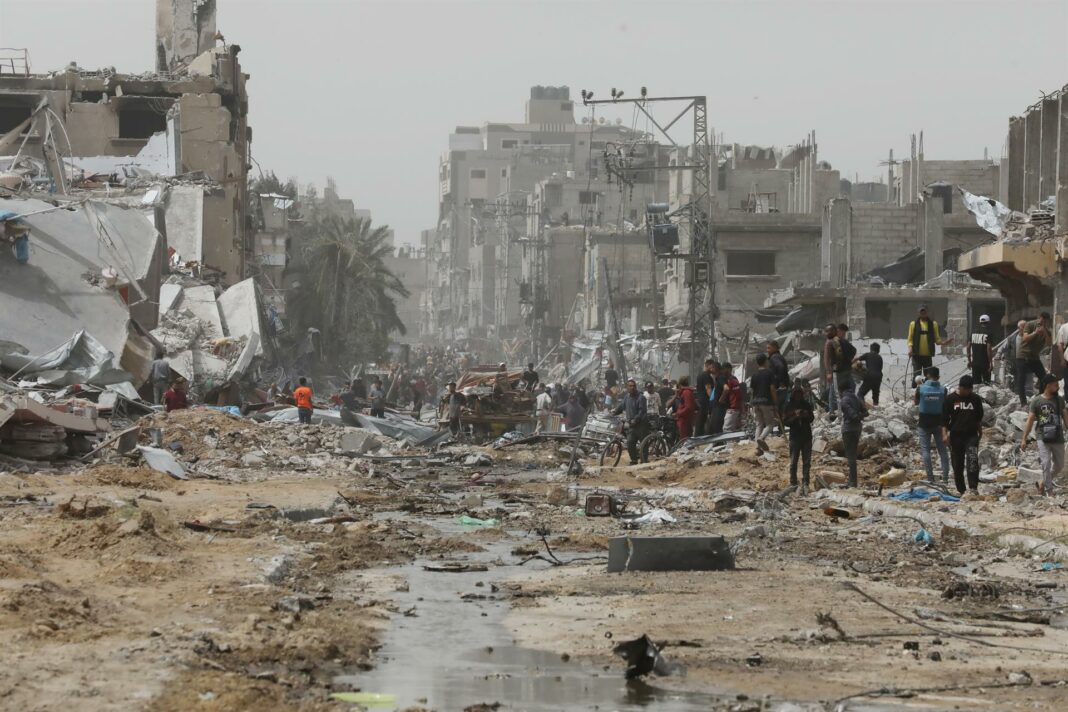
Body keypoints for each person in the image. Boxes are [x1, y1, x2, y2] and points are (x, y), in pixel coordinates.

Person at [1021, 373, 1068, 496]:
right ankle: (1049, 490)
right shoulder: (1037, 401)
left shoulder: (1059, 400)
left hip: (1058, 437)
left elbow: (1065, 416)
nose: (1057, 386)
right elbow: (1030, 420)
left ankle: (1042, 482)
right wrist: (1024, 439)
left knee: (1059, 465)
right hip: (1042, 436)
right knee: (1046, 463)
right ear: (1047, 385)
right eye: (1055, 384)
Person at [943, 374, 984, 495]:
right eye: (965, 390)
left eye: (969, 390)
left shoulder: (975, 399)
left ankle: (973, 488)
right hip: (956, 436)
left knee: (972, 459)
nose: (967, 392)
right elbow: (944, 420)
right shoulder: (950, 399)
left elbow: (978, 418)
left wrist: (980, 431)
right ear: (960, 387)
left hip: (971, 435)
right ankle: (961, 489)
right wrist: (944, 435)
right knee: (957, 464)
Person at [915, 366, 950, 484]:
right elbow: (945, 405)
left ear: (927, 376)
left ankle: (930, 478)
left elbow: (916, 402)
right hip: (939, 422)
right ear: (938, 377)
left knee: (925, 451)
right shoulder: (943, 390)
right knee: (942, 451)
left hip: (924, 422)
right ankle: (945, 478)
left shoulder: (920, 388)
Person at [783, 379, 815, 495]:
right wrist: (795, 416)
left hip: (806, 436)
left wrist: (805, 415)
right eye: (796, 394)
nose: (798, 396)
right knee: (793, 461)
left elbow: (811, 418)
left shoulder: (806, 405)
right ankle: (793, 482)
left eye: (799, 394)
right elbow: (785, 421)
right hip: (794, 437)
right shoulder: (789, 406)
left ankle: (806, 482)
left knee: (806, 462)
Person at [1016, 312, 1051, 407]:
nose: (1042, 322)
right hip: (1023, 356)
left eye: (1045, 321)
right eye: (1042, 320)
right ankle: (1023, 402)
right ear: (1039, 318)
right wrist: (1035, 332)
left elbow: (1049, 344)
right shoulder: (1030, 324)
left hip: (1034, 357)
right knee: (1021, 379)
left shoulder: (1047, 331)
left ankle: (1041, 399)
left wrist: (1045, 332)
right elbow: (1025, 338)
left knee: (1044, 378)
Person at [838, 380, 867, 487]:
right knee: (853, 455)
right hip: (857, 429)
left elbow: (852, 415)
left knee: (850, 456)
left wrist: (856, 416)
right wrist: (859, 416)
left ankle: (852, 482)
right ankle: (852, 480)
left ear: (840, 390)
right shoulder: (857, 398)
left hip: (848, 429)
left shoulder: (844, 400)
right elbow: (866, 413)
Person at [613, 379, 648, 466]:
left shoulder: (641, 397)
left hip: (641, 425)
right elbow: (621, 407)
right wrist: (614, 412)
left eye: (634, 386)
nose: (632, 387)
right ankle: (634, 460)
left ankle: (644, 461)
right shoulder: (627, 397)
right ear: (627, 387)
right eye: (630, 386)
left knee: (643, 444)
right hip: (631, 425)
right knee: (630, 443)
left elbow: (642, 411)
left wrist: (635, 419)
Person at [749, 353, 779, 447]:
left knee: (759, 425)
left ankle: (757, 448)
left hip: (755, 403)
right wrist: (775, 402)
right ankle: (761, 438)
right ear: (766, 361)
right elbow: (772, 389)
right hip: (766, 402)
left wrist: (752, 404)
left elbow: (752, 391)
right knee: (770, 424)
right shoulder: (770, 373)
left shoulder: (754, 375)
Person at [908, 304, 942, 381]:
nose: (923, 313)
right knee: (916, 378)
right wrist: (910, 349)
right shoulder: (913, 324)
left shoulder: (933, 324)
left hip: (928, 356)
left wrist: (944, 343)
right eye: (921, 312)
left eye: (924, 311)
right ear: (918, 313)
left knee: (928, 377)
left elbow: (937, 340)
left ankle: (927, 388)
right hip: (916, 356)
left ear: (927, 312)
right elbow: (910, 339)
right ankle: (915, 388)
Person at [767, 341, 790, 418]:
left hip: (778, 389)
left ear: (775, 348)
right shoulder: (779, 356)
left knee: (776, 411)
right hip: (782, 388)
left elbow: (780, 367)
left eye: (769, 348)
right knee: (780, 411)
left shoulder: (774, 357)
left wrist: (780, 382)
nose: (767, 350)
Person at [969, 314, 994, 385]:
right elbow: (988, 349)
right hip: (985, 363)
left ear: (980, 322)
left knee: (976, 384)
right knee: (986, 384)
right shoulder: (989, 333)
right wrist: (991, 363)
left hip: (975, 363)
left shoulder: (973, 332)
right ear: (988, 322)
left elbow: (968, 347)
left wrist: (969, 361)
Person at [694, 359, 716, 436]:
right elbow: (708, 389)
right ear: (707, 365)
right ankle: (699, 437)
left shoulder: (700, 375)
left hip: (700, 401)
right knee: (702, 421)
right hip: (705, 402)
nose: (713, 368)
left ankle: (698, 437)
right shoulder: (706, 376)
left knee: (700, 421)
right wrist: (713, 401)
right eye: (712, 366)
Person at [720, 363, 743, 431]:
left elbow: (738, 395)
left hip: (732, 408)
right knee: (731, 430)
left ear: (728, 369)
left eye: (723, 369)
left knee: (726, 429)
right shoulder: (727, 380)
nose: (722, 371)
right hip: (730, 408)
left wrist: (721, 399)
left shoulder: (732, 380)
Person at [673, 375, 697, 440]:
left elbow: (688, 407)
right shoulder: (686, 392)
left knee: (684, 439)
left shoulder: (686, 392)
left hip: (685, 419)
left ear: (680, 384)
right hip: (685, 419)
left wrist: (678, 413)